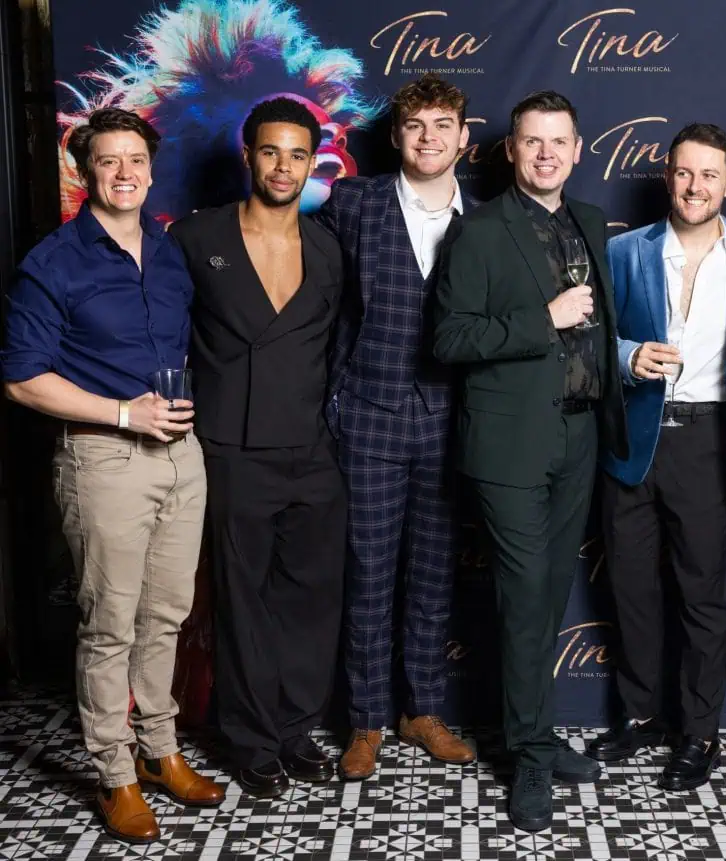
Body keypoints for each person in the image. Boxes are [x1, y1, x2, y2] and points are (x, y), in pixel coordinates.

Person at [0, 107, 223, 844]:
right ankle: (115, 772)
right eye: (108, 161)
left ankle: (160, 750)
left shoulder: (168, 250)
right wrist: (125, 414)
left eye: (135, 160)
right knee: (110, 624)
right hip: (104, 456)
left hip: (181, 454)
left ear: (152, 170)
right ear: (85, 171)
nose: (124, 173)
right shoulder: (53, 262)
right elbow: (22, 379)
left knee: (167, 615)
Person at [433, 91, 628, 832]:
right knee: (523, 596)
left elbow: (599, 332)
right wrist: (541, 320)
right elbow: (449, 339)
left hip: (579, 433)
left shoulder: (591, 222)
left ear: (577, 150)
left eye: (559, 142)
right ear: (510, 150)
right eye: (532, 141)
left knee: (547, 598)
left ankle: (534, 732)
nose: (546, 154)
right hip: (509, 441)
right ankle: (530, 758)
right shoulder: (479, 231)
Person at [587, 124, 726, 791]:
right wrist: (626, 356)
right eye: (684, 173)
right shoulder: (624, 250)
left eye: (709, 175)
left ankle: (699, 732)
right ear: (668, 176)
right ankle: (640, 716)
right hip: (632, 437)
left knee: (701, 593)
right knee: (631, 587)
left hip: (706, 438)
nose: (695, 187)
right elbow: (591, 337)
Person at [170, 97, 347, 798]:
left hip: (312, 447)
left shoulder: (329, 247)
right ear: (248, 156)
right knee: (243, 601)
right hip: (232, 446)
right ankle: (251, 740)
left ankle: (297, 729)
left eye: (297, 155)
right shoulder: (196, 236)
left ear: (312, 164)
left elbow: (338, 348)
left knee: (311, 598)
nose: (283, 166)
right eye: (270, 151)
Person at [313, 74, 476, 779]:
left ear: (463, 138)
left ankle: (424, 711)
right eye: (415, 125)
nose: (428, 137)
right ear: (396, 135)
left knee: (434, 578)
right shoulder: (354, 203)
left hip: (451, 420)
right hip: (369, 417)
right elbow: (308, 291)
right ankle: (366, 719)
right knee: (369, 576)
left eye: (442, 125)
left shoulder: (487, 218)